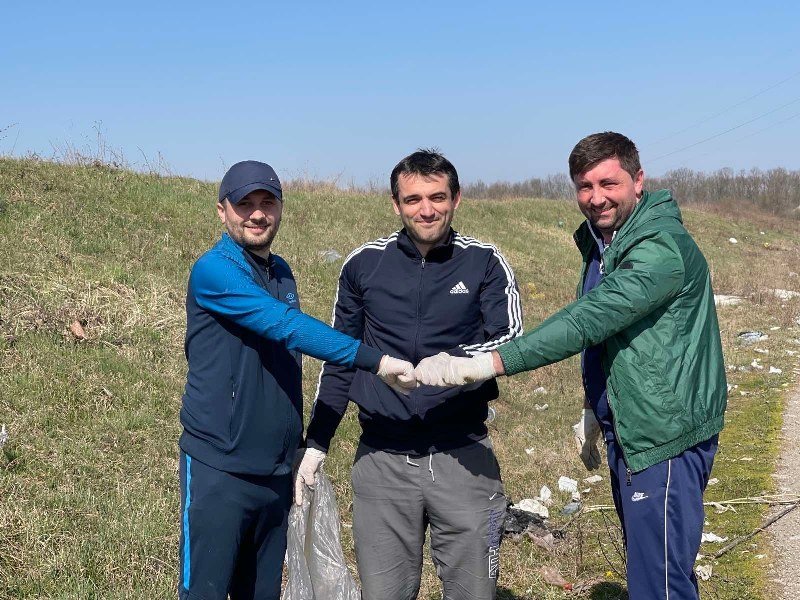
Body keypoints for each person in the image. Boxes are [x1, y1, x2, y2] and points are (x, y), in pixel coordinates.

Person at [415, 132, 727, 600]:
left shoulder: (659, 247)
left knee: (660, 580)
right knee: (654, 564)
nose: (596, 198)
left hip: (663, 435)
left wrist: (487, 363)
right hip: (632, 426)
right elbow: (611, 339)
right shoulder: (607, 242)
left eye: (609, 183)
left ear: (638, 180)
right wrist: (593, 407)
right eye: (585, 186)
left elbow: (588, 320)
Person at [178, 160, 416, 600]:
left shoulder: (281, 271)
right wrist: (375, 361)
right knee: (204, 592)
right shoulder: (213, 270)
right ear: (222, 211)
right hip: (220, 468)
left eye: (267, 202)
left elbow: (285, 358)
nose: (257, 214)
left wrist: (299, 447)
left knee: (263, 591)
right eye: (244, 204)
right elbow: (285, 326)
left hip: (276, 469)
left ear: (281, 208)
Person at [295, 149, 523, 600]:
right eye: (413, 199)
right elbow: (340, 357)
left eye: (437, 197)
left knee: (474, 593)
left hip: (463, 455)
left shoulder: (484, 261)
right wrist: (317, 442)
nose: (426, 210)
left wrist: (459, 364)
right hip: (382, 459)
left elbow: (510, 336)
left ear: (456, 199)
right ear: (396, 204)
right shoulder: (363, 264)